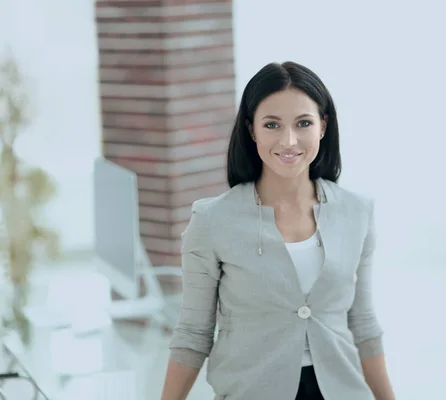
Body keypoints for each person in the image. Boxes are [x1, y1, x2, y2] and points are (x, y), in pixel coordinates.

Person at [161, 61, 395, 400]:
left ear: (323, 126)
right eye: (272, 125)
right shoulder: (213, 220)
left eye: (303, 123)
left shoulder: (357, 212)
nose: (288, 141)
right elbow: (193, 333)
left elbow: (364, 326)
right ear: (252, 129)